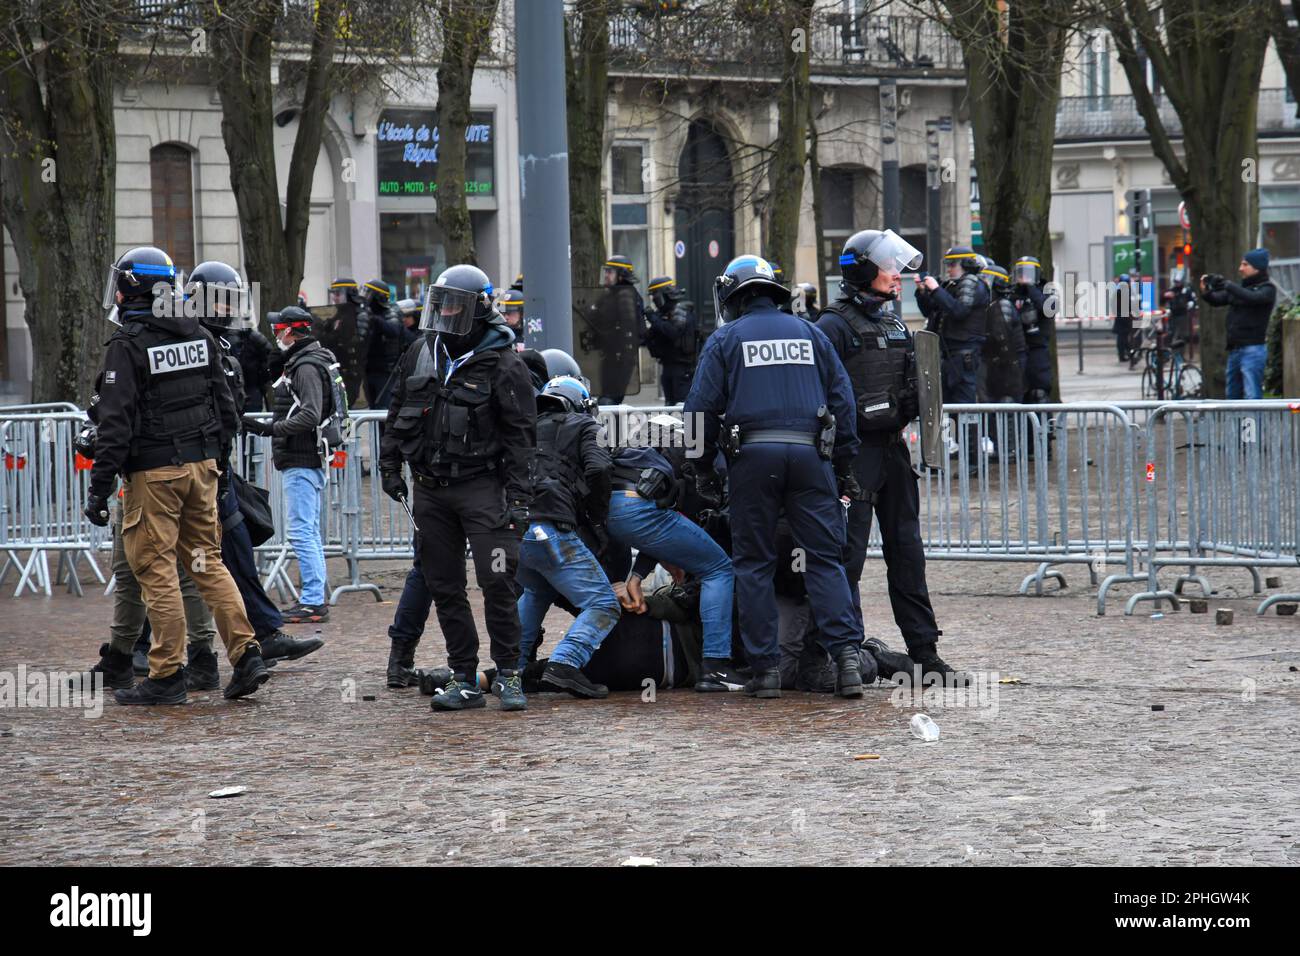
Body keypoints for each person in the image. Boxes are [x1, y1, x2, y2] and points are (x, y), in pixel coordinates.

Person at [83, 245, 270, 704]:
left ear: (133, 288)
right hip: (201, 469)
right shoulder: (200, 335)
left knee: (155, 567)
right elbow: (226, 406)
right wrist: (218, 462)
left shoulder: (128, 347)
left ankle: (167, 674)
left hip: (155, 473)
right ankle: (247, 654)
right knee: (207, 563)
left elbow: (115, 425)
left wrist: (99, 487)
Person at [684, 254, 865, 700]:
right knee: (824, 561)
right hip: (810, 458)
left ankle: (765, 671)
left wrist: (701, 467)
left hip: (752, 459)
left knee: (754, 564)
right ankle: (846, 661)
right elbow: (844, 402)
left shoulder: (726, 338)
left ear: (732, 296)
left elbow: (698, 411)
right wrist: (844, 466)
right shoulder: (810, 333)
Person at [379, 264, 537, 713]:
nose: (445, 312)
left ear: (478, 308)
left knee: (498, 582)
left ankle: (508, 673)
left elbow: (521, 439)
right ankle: (464, 677)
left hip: (484, 490)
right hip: (430, 491)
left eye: (454, 304)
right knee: (443, 585)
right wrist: (389, 465)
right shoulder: (422, 351)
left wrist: (520, 500)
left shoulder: (505, 364)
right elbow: (396, 409)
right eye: (441, 302)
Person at [817, 230, 968, 683]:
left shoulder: (895, 324)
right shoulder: (832, 326)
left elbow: (911, 381)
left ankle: (925, 653)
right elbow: (822, 397)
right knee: (849, 560)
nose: (897, 276)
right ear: (862, 270)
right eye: (887, 268)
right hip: (852, 457)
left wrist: (914, 399)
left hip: (893, 454)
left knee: (908, 554)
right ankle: (847, 656)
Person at [185, 262, 324, 683]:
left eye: (232, 300)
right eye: (221, 300)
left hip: (217, 467)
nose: (228, 309)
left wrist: (261, 343)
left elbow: (257, 380)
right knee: (166, 569)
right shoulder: (189, 339)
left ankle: (261, 635)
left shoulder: (228, 341)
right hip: (190, 467)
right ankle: (148, 651)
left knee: (235, 550)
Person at [515, 375, 620, 698]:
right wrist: (597, 515)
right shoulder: (586, 426)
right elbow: (600, 468)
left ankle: (512, 669)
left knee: (536, 592)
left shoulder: (522, 427)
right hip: (552, 526)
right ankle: (565, 664)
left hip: (514, 530)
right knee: (604, 604)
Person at [606, 439, 740, 692]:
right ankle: (716, 667)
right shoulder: (713, 458)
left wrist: (636, 576)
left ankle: (518, 666)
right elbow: (666, 516)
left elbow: (658, 530)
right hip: (642, 507)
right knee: (719, 569)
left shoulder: (654, 449)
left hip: (612, 509)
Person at [240, 306, 336, 625]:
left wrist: (271, 429)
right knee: (306, 528)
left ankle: (312, 600)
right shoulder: (303, 360)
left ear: (291, 331)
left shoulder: (305, 365)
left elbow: (309, 413)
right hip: (303, 456)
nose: (275, 334)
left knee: (300, 530)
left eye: (278, 329)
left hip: (302, 456)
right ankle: (314, 597)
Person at [1200, 248, 1276, 400]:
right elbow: (1218, 300)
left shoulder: (1267, 289)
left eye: (1245, 264)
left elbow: (1253, 298)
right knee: (1232, 396)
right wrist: (1206, 291)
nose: (1240, 268)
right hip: (1235, 350)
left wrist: (1228, 285)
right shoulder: (1241, 289)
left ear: (1257, 267)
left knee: (1252, 395)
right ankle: (1236, 424)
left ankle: (1255, 424)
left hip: (1253, 349)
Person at [586, 255, 643, 403]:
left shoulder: (625, 295)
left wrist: (622, 355)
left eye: (610, 272)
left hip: (619, 358)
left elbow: (628, 328)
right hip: (610, 356)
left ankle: (614, 427)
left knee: (609, 400)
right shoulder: (610, 295)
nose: (606, 275)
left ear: (621, 274)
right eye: (606, 271)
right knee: (605, 397)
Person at [643, 276, 698, 404]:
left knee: (685, 408)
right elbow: (651, 335)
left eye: (655, 296)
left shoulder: (682, 310)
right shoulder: (663, 314)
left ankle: (694, 425)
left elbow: (673, 332)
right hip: (668, 367)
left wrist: (653, 318)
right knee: (670, 410)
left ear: (664, 294)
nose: (654, 301)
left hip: (683, 370)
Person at [980, 261, 1027, 405]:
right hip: (997, 366)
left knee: (1007, 404)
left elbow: (1002, 340)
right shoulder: (990, 306)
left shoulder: (1002, 306)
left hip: (1008, 366)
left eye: (986, 280)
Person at [1012, 256, 1054, 405]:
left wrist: (1030, 287)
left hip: (1037, 348)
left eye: (1029, 273)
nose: (1024, 277)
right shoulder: (1013, 293)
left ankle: (1044, 428)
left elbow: (1047, 309)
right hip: (1017, 349)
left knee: (1039, 393)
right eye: (1021, 272)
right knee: (1018, 394)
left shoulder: (1047, 291)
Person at [361, 279, 405, 412]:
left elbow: (394, 330)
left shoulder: (391, 311)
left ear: (377, 296)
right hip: (368, 369)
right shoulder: (366, 313)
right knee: (373, 408)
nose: (365, 296)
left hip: (386, 371)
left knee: (384, 409)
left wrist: (375, 319)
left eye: (369, 293)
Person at [1162, 266, 1194, 348]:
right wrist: (1165, 296)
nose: (1177, 284)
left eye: (1178, 282)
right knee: (1170, 333)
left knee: (1182, 335)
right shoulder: (1171, 290)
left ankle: (1180, 353)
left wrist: (1190, 304)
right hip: (1173, 314)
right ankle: (1168, 350)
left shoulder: (1187, 290)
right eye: (1176, 282)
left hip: (1183, 315)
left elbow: (1192, 300)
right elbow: (1162, 300)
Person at [1111, 273, 1134, 363]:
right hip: (1123, 319)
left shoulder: (1122, 292)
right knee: (1123, 339)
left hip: (1123, 318)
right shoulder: (1121, 293)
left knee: (1123, 338)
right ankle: (1126, 355)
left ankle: (1127, 354)